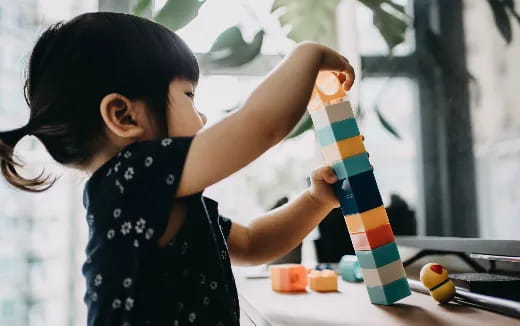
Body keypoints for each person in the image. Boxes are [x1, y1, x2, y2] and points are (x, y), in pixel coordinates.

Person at [0, 12, 354, 326]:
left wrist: (315, 201)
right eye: (189, 96)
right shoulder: (133, 175)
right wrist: (309, 54)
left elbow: (253, 243)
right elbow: (260, 126)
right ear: (124, 116)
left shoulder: (147, 194)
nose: (202, 118)